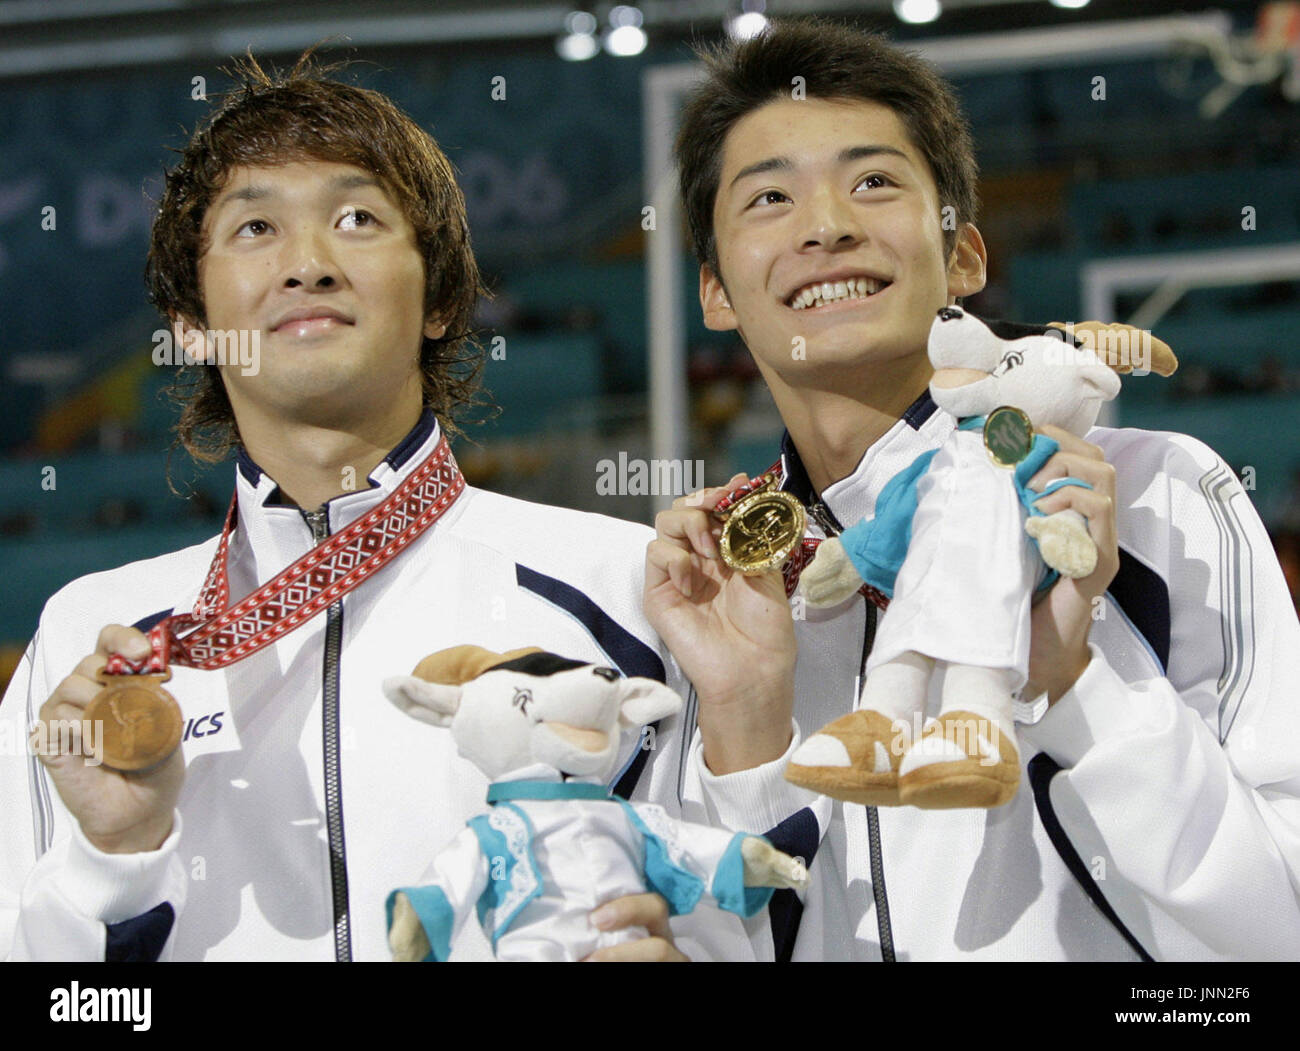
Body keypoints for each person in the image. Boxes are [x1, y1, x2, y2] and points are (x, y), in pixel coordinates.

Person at [0, 51, 745, 962]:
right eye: (255, 228)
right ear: (190, 322)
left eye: (357, 219)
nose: (308, 264)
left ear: (440, 298)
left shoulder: (626, 588)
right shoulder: (93, 640)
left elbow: (740, 917)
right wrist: (110, 858)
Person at [645, 18, 1300, 961]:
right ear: (715, 290)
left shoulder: (1156, 496)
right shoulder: (709, 594)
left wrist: (1076, 682)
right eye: (770, 198)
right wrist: (747, 726)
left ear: (964, 257)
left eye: (873, 181)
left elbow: (1278, 925)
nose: (826, 226)